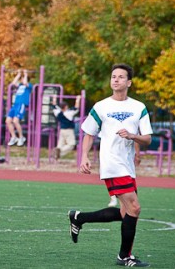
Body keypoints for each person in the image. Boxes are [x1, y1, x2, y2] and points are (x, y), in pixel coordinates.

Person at [68, 64, 153, 267]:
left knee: (126, 213)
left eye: (121, 77)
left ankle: (79, 218)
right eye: (113, 76)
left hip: (127, 166)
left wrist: (133, 136)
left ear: (129, 82)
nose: (116, 79)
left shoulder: (138, 107)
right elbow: (89, 133)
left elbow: (147, 139)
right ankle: (124, 257)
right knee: (134, 207)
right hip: (111, 164)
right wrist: (84, 157)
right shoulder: (101, 106)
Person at [5, 70, 32, 146]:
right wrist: (19, 74)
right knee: (8, 121)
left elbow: (25, 83)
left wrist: (26, 74)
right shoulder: (20, 85)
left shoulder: (29, 86)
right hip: (15, 105)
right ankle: (14, 137)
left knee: (15, 121)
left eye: (23, 79)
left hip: (22, 104)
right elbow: (13, 83)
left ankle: (21, 137)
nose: (22, 80)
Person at [52, 95, 81, 159]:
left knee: (60, 144)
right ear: (65, 107)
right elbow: (76, 108)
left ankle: (57, 154)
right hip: (69, 130)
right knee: (71, 144)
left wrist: (54, 98)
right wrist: (78, 99)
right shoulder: (68, 113)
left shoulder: (57, 112)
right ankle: (60, 151)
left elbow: (54, 106)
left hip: (62, 130)